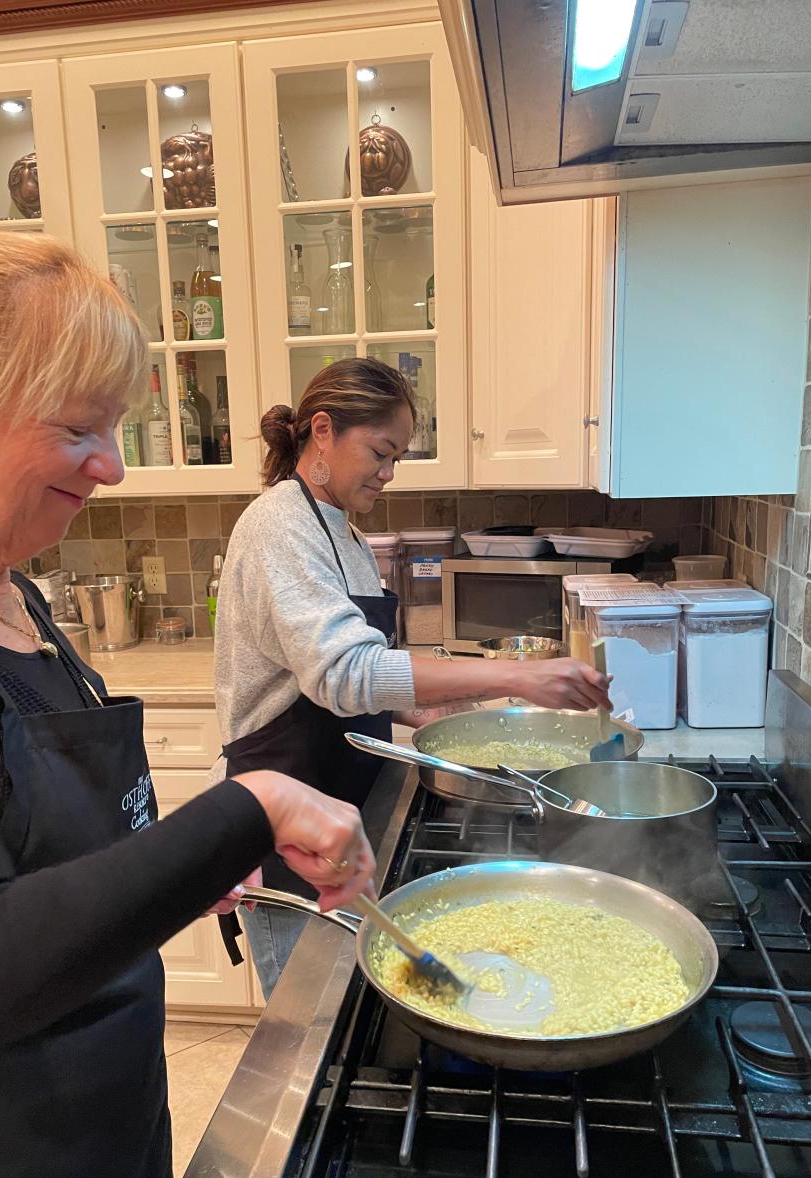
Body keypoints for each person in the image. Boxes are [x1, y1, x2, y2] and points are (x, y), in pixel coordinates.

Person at [0, 230, 376, 1178]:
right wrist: (246, 809)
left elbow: (42, 860)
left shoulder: (15, 595)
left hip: (110, 1154)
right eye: (79, 427)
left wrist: (181, 863)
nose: (113, 466)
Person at [213, 357, 611, 997]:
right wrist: (518, 675)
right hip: (285, 822)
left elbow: (330, 670)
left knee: (349, 1001)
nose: (389, 473)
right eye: (380, 451)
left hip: (339, 804)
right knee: (311, 1018)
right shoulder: (278, 526)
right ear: (322, 431)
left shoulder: (339, 529)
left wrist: (424, 715)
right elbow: (343, 673)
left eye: (397, 456)